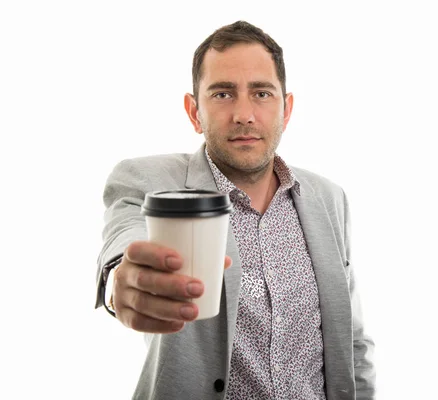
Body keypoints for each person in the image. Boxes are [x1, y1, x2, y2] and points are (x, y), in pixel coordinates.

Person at [95, 20, 376, 400]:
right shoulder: (149, 180)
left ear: (286, 108)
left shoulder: (330, 198)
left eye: (261, 93)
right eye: (223, 94)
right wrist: (122, 283)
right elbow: (125, 236)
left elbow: (352, 339)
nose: (244, 113)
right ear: (194, 112)